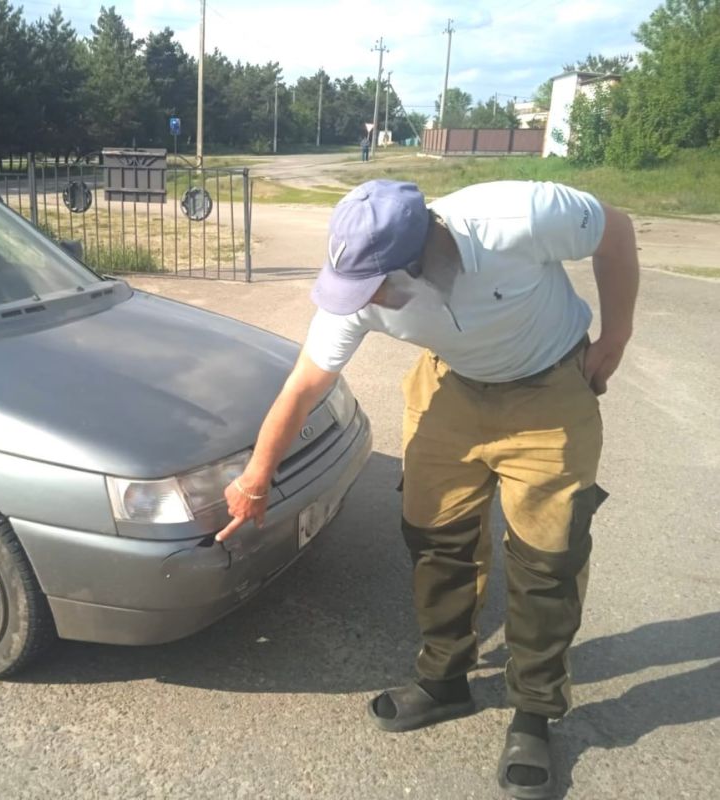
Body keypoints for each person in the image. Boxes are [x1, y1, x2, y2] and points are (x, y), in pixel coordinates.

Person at [215, 179, 639, 799]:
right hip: (452, 388)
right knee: (435, 537)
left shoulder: (516, 215)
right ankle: (445, 679)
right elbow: (304, 386)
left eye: (376, 286)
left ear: (424, 254)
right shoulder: (359, 285)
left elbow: (618, 229)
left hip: (549, 389)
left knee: (549, 557)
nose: (366, 302)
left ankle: (534, 711)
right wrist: (255, 478)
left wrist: (616, 338)